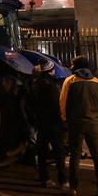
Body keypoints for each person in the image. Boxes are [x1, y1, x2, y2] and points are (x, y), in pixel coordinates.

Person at [59, 56, 98, 196]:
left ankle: (73, 188)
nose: (70, 65)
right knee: (97, 156)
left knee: (75, 156)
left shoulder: (70, 81)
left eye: (72, 64)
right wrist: (97, 119)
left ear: (77, 66)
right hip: (92, 124)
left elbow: (63, 103)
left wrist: (65, 120)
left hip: (75, 124)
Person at [28, 60, 67, 189]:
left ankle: (45, 178)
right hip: (54, 124)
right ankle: (63, 180)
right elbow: (56, 106)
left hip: (41, 123)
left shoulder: (35, 85)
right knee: (59, 153)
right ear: (50, 71)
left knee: (42, 153)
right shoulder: (52, 86)